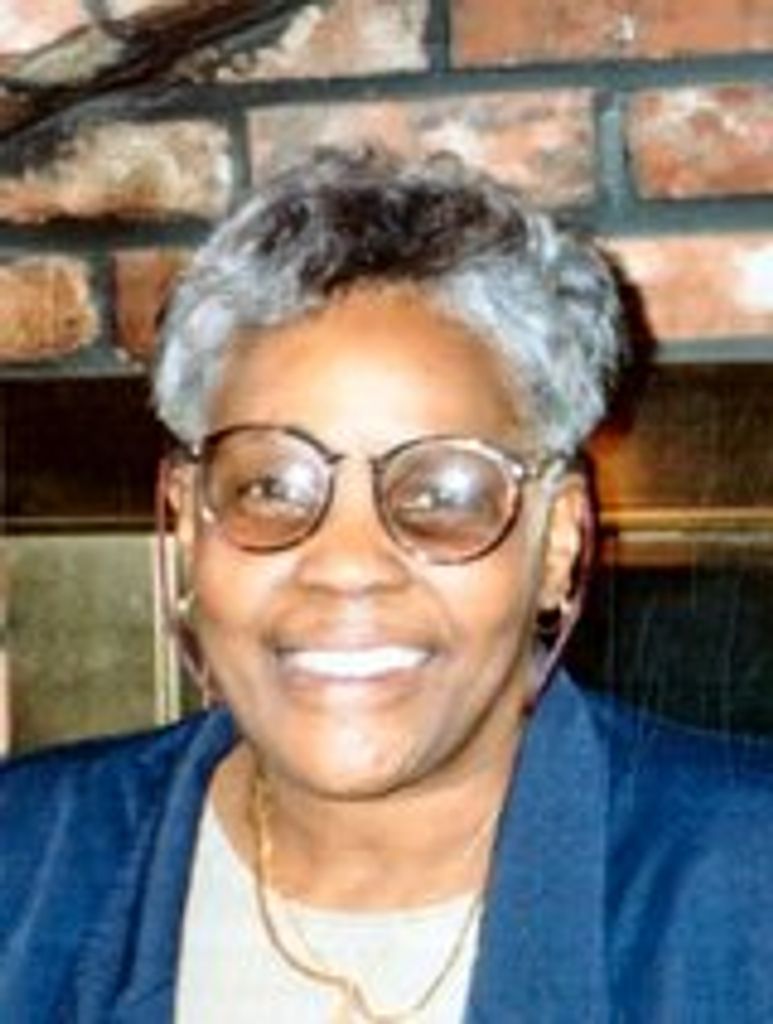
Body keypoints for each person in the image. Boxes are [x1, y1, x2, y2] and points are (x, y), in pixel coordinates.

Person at [2, 146, 773, 1023]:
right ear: (186, 525)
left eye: (440, 494)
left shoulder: (745, 889)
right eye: (271, 486)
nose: (346, 565)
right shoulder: (26, 860)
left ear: (557, 542)